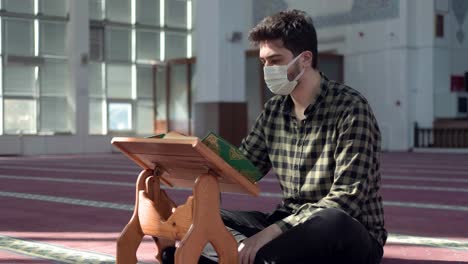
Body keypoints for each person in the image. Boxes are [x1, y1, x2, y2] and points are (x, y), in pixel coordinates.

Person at [161, 9, 386, 264]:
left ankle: (242, 257)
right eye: (264, 62)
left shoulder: (350, 108)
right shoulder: (274, 111)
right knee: (201, 216)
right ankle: (255, 257)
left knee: (332, 222)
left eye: (276, 60)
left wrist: (269, 233)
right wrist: (195, 153)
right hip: (287, 223)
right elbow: (244, 168)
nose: (268, 69)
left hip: (348, 233)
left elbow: (347, 198)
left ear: (304, 60)